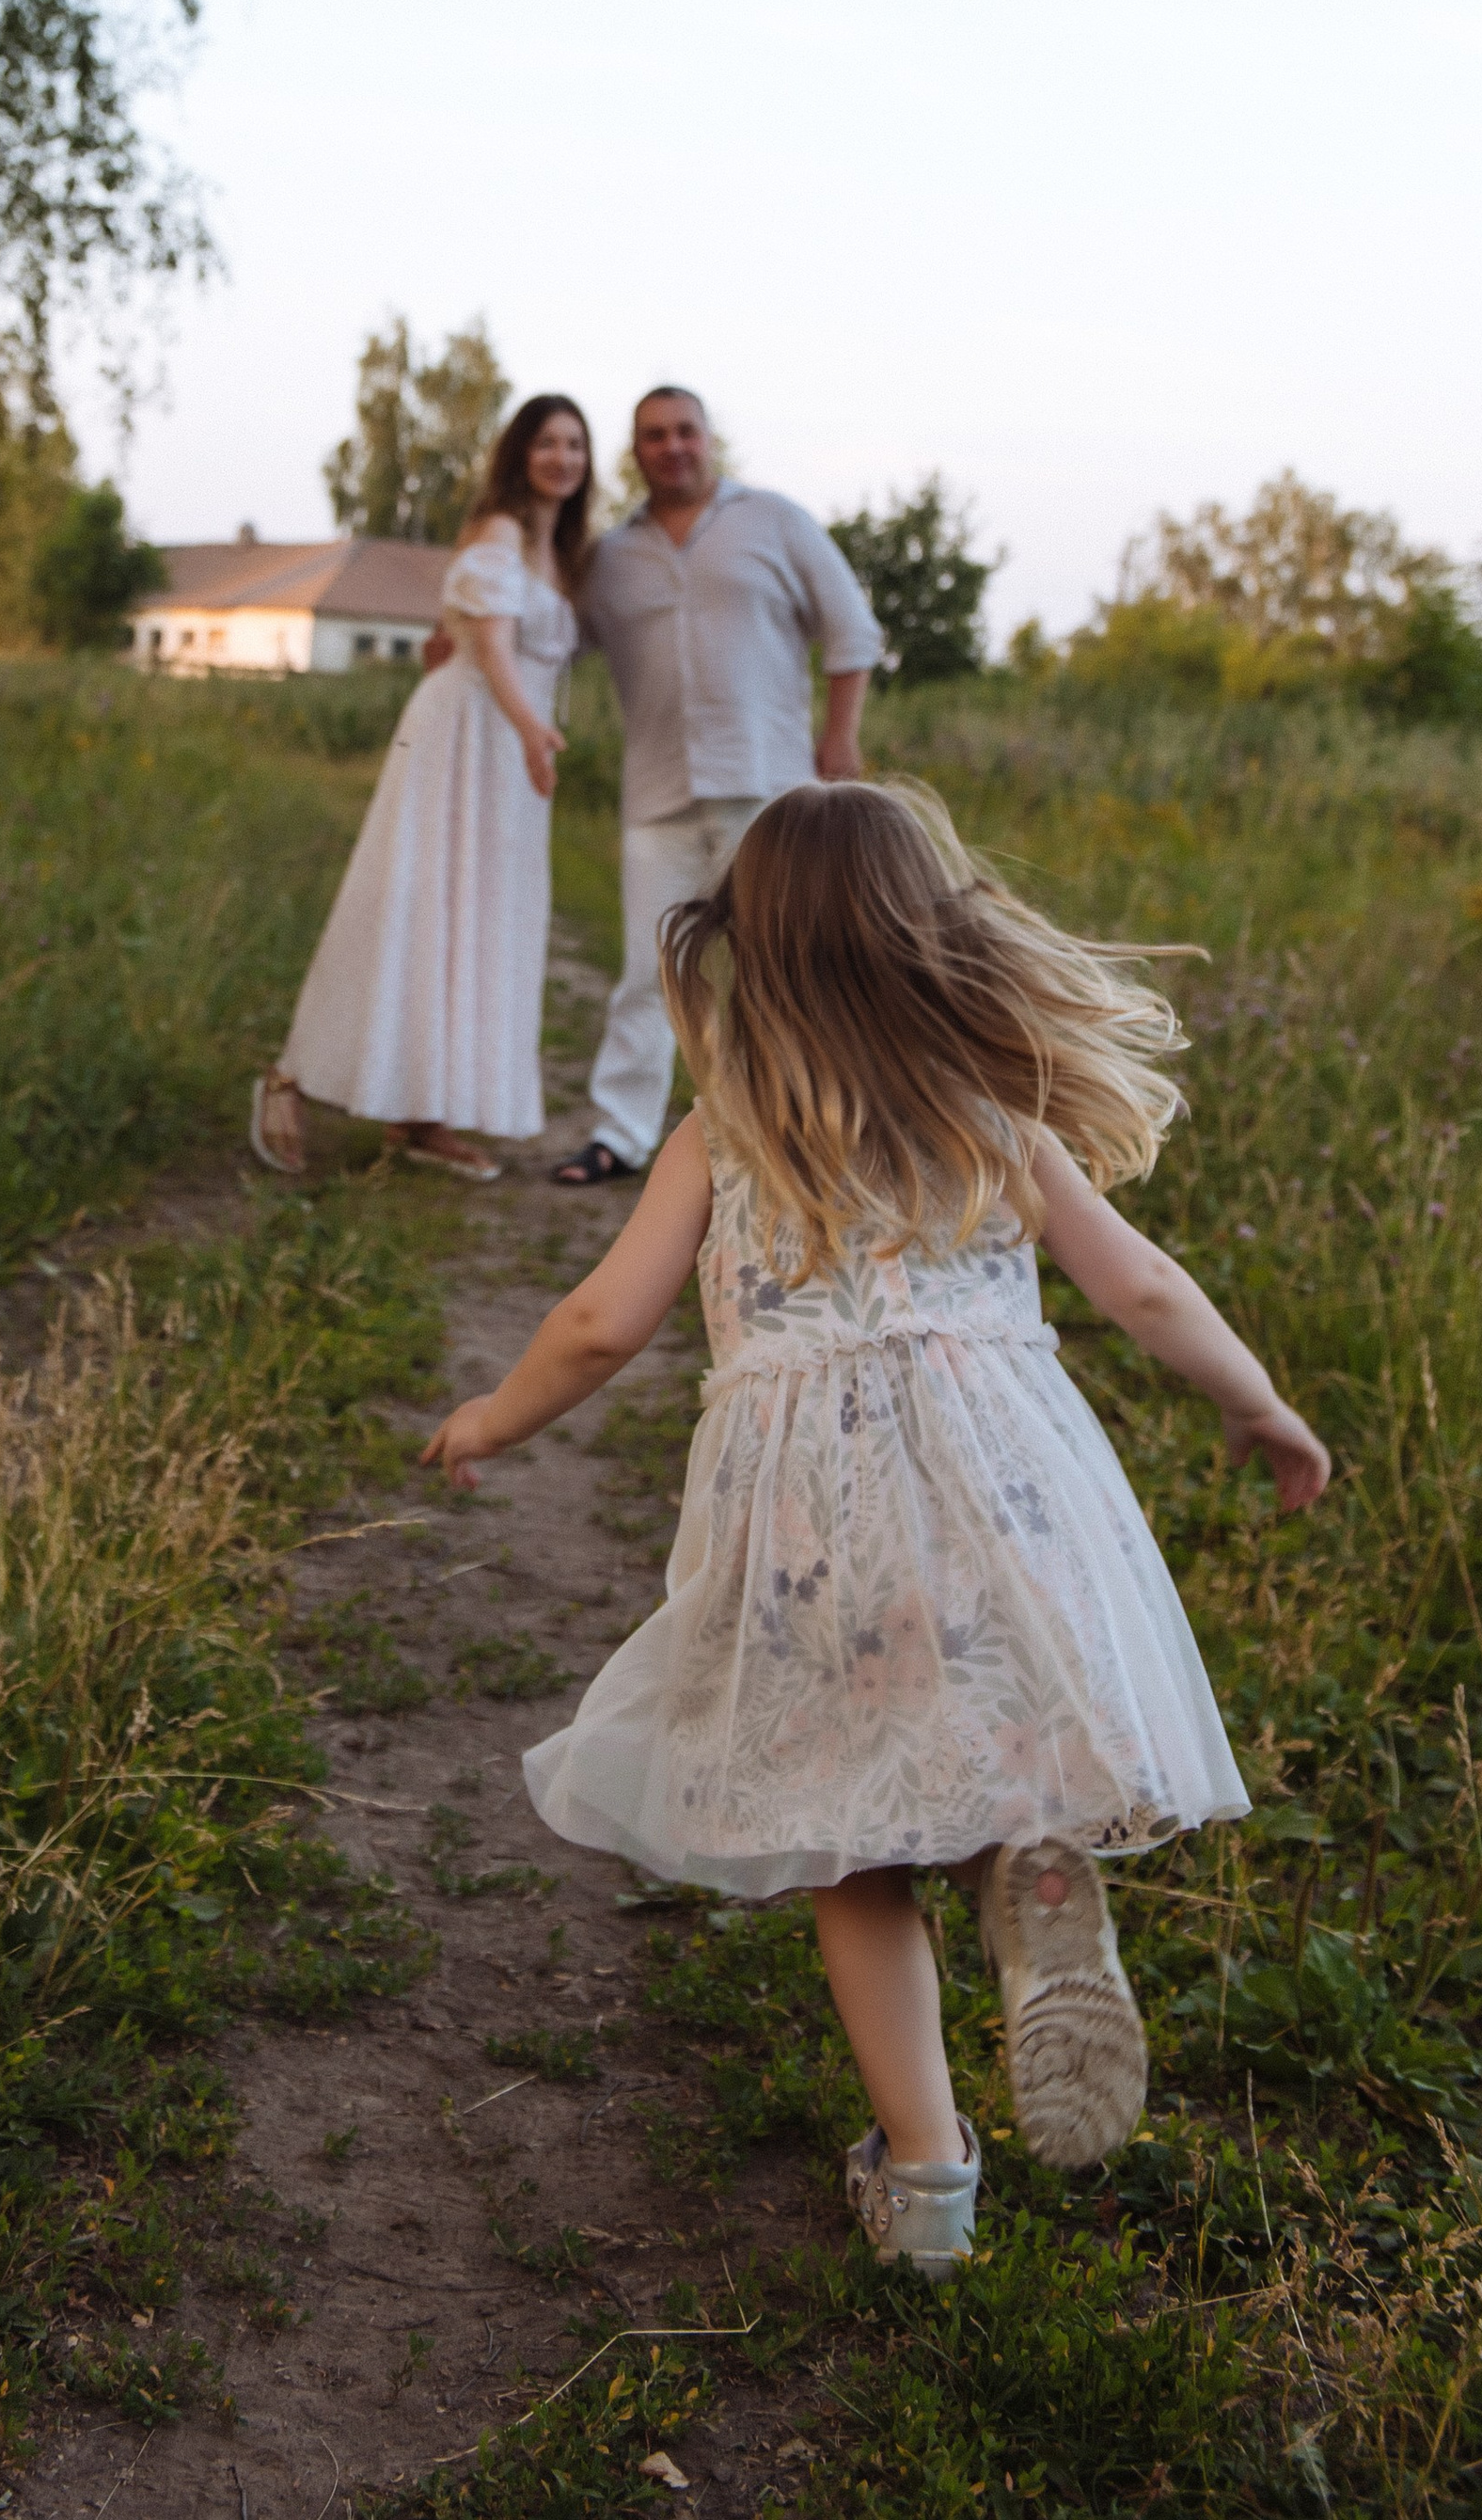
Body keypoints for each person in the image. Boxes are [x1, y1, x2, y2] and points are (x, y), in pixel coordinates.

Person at [422, 779, 1330, 2278]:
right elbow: (1145, 1285)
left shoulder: (722, 1134)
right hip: (1003, 1493)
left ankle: (925, 2183)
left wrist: (494, 1416)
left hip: (816, 1524)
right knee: (986, 1737)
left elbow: (599, 1326)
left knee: (856, 1846)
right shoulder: (997, 1117)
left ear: (754, 948)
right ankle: (1030, 1879)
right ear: (936, 936)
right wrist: (1261, 1403)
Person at [251, 395, 593, 1182]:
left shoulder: (558, 549)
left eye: (575, 444)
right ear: (519, 453)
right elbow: (494, 650)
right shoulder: (500, 530)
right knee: (413, 905)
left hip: (504, 744)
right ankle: (292, 1076)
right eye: (547, 442)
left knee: (473, 923)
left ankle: (422, 1115)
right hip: (472, 734)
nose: (563, 458)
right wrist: (531, 730)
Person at [550, 385, 881, 1187]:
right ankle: (621, 1134)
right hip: (657, 791)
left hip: (769, 786)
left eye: (685, 431)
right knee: (649, 967)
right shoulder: (609, 558)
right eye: (654, 436)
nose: (673, 447)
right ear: (636, 452)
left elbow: (851, 628)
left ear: (709, 438)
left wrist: (840, 735)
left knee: (784, 961)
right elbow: (551, 638)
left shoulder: (774, 520)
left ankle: (805, 1128)